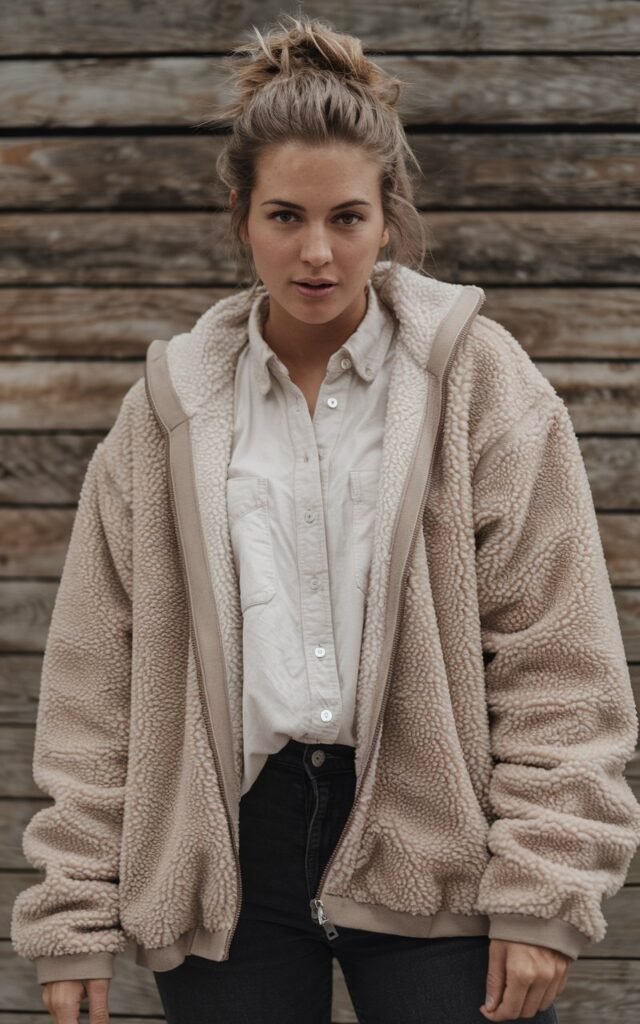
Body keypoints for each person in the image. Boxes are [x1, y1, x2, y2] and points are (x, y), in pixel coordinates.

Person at [11, 13, 640, 1024]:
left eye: (345, 217)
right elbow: (96, 683)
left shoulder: (478, 384)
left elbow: (556, 651)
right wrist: (72, 915)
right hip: (230, 855)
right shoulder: (166, 413)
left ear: (386, 217)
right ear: (239, 217)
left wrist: (544, 884)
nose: (315, 252)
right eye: (284, 217)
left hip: (435, 837)